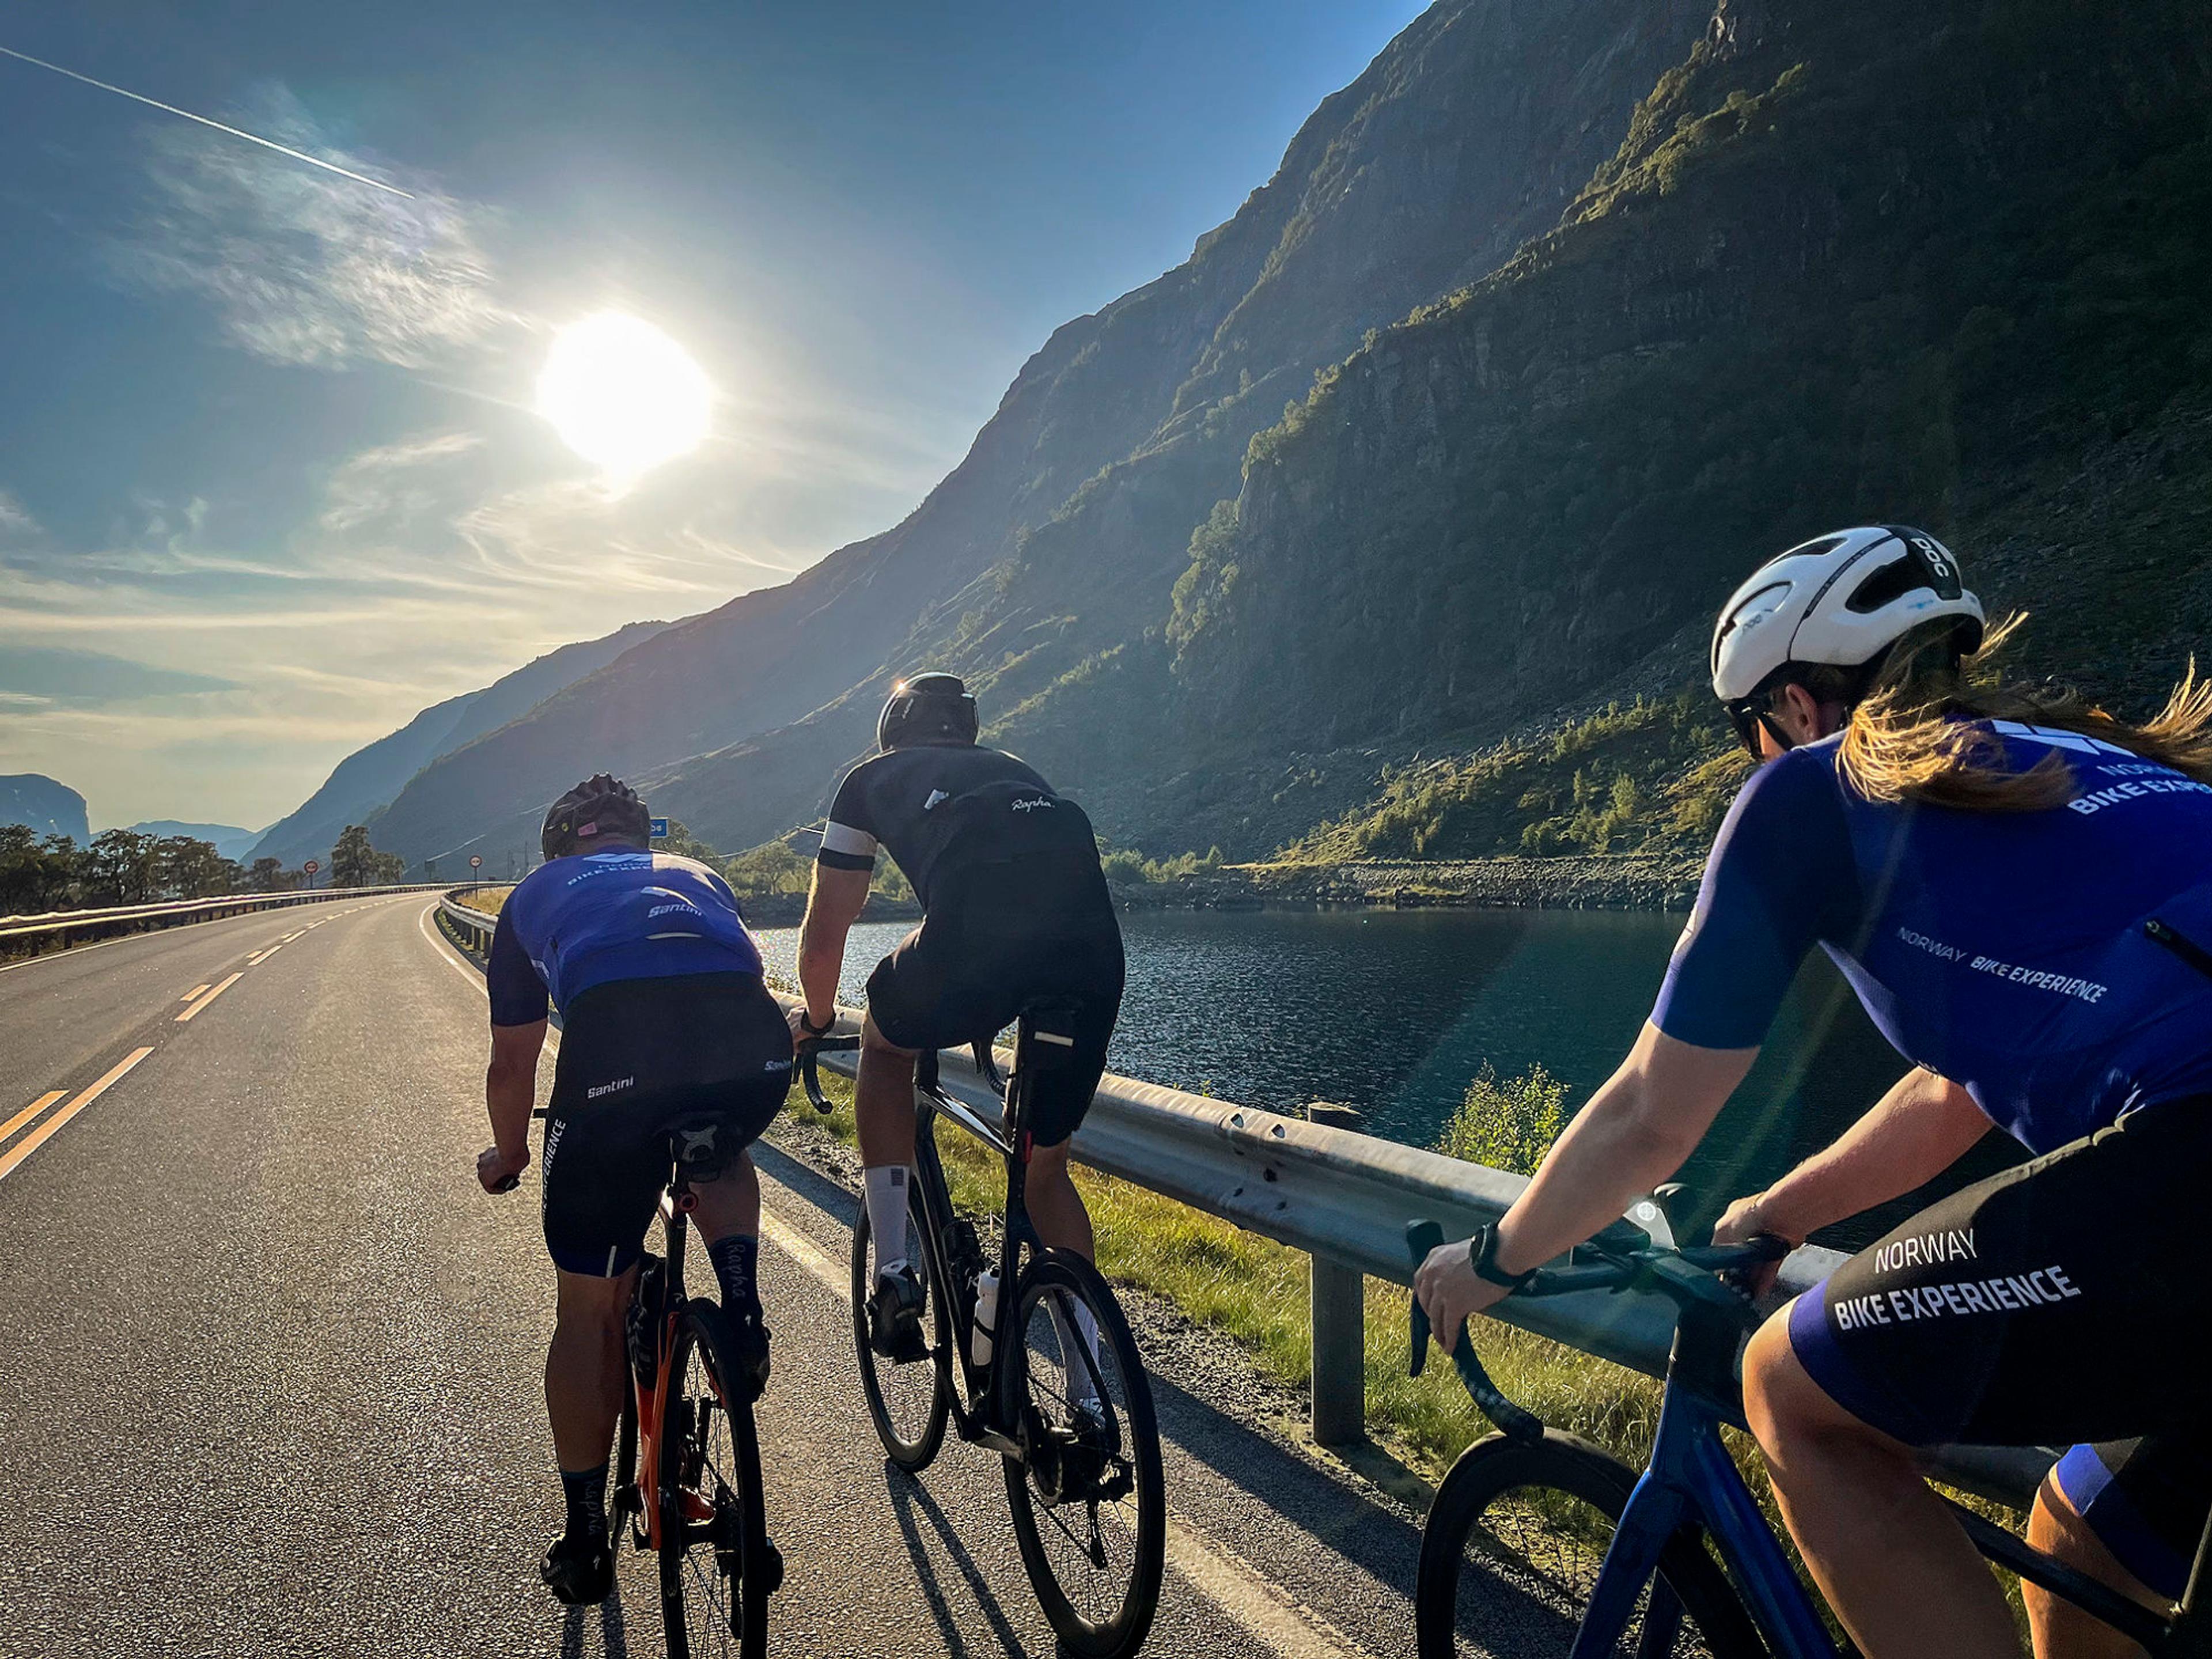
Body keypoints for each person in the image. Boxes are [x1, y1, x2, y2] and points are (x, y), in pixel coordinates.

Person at [1413, 526, 2212, 1658]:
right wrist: (1779, 1214)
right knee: (2082, 1543)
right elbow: (1955, 1095)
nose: (1757, 756)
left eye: (1750, 734)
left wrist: (1493, 1259)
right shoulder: (2065, 767)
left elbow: (1652, 1113)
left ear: (1789, 704)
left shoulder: (1807, 792)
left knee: (1788, 1389)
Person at [474, 774, 791, 1607]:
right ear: (638, 838)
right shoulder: (692, 872)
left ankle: (584, 1539)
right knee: (715, 1148)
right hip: (751, 1049)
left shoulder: (533, 894)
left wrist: (509, 1157)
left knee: (588, 1309)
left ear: (559, 843)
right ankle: (742, 1310)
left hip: (617, 1064)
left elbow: (514, 1062)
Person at [791, 672, 1124, 1376]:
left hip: (971, 943)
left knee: (885, 1051)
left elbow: (826, 934)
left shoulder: (870, 779)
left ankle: (893, 1271)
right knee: (1045, 1168)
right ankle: (1090, 1390)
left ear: (893, 731)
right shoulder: (1016, 770)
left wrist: (817, 1020)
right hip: (1092, 954)